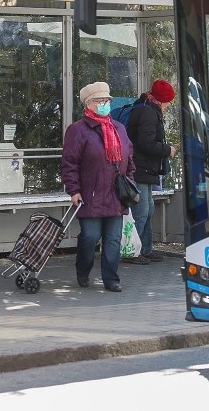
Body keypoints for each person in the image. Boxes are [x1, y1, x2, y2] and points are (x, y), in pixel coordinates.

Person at [61, 81, 135, 292]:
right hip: (90, 195)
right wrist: (73, 190)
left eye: (106, 100)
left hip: (116, 194)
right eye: (99, 101)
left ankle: (111, 279)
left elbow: (129, 159)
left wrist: (129, 182)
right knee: (90, 237)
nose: (104, 104)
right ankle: (83, 270)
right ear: (88, 104)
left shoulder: (119, 128)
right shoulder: (78, 130)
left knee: (113, 240)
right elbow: (70, 163)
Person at [125, 79, 177, 264]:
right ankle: (133, 252)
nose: (170, 105)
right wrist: (167, 149)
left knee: (148, 209)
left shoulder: (148, 108)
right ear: (162, 100)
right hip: (139, 168)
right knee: (142, 211)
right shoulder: (148, 112)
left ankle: (145, 249)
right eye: (169, 101)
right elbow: (146, 143)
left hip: (146, 168)